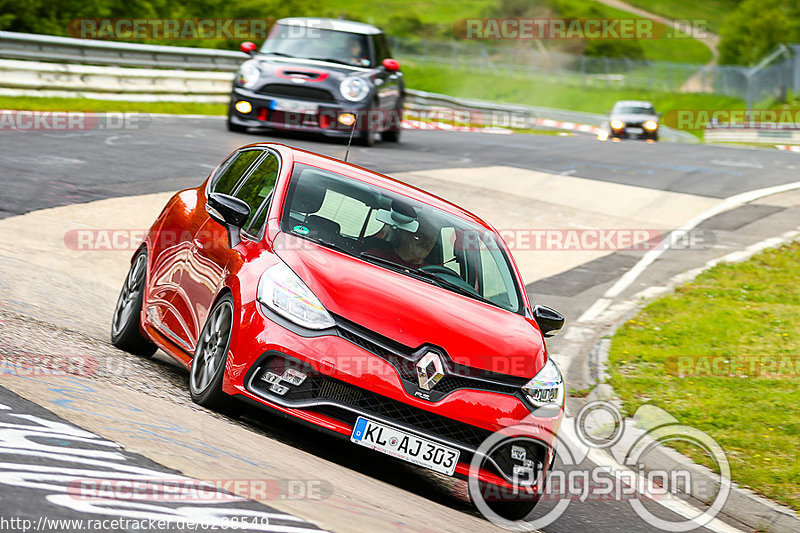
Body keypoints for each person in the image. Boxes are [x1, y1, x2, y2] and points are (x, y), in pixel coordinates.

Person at [366, 215, 439, 268]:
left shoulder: (433, 274)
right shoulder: (376, 257)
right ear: (405, 234)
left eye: (432, 238)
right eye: (421, 236)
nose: (427, 242)